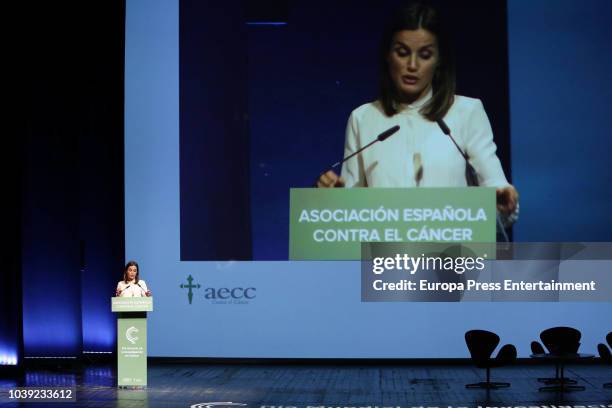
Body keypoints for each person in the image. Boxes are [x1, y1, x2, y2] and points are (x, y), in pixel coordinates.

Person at [316, 2, 518, 223]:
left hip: (453, 254)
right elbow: (349, 211)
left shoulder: (466, 112)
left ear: (439, 60)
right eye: (402, 53)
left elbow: (497, 192)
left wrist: (503, 202)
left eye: (425, 55)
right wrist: (332, 200)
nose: (412, 65)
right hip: (385, 254)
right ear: (387, 55)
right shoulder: (363, 118)